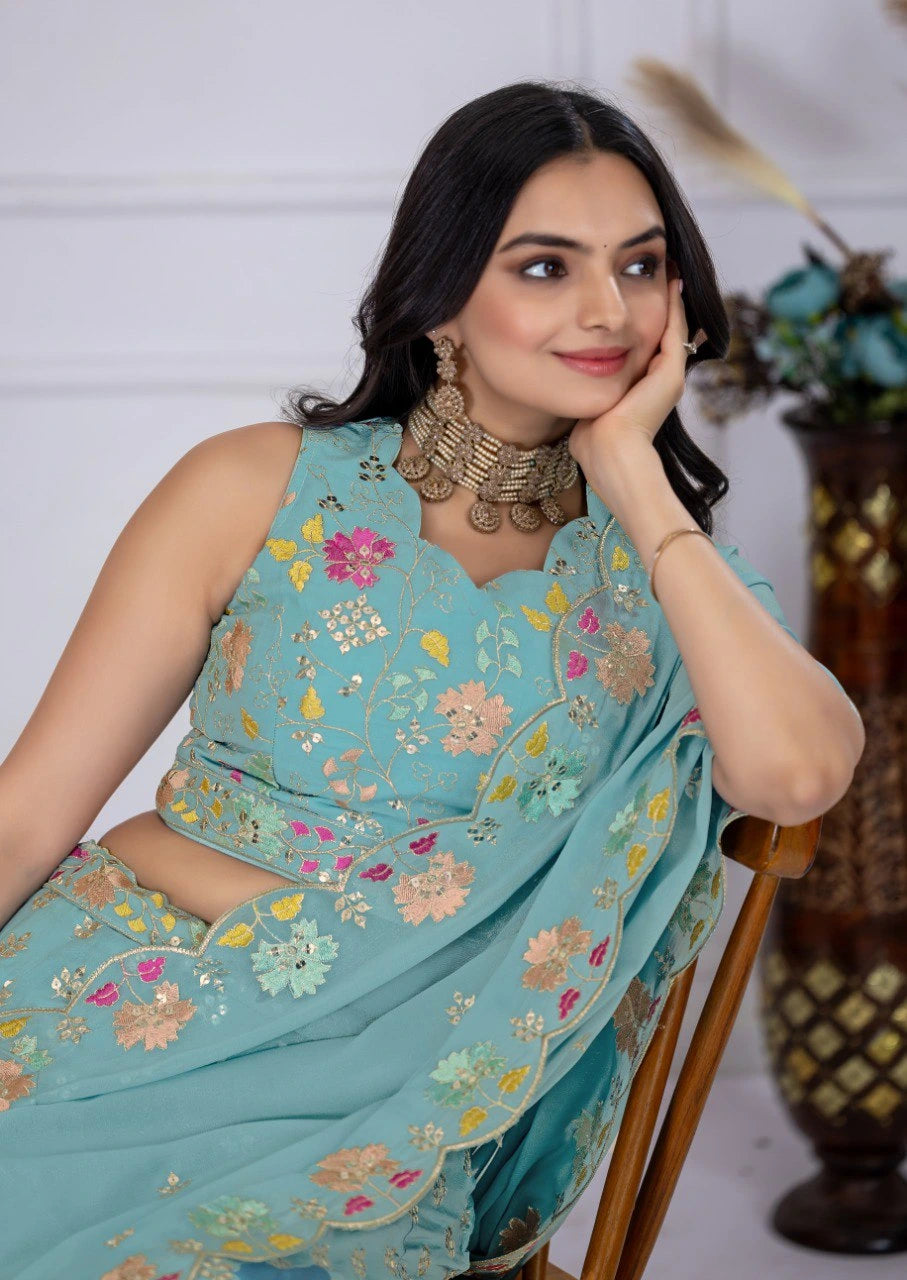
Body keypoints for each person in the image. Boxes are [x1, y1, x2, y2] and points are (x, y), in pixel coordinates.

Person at [0, 80, 864, 1280]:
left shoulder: (669, 583)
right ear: (443, 296)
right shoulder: (253, 487)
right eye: (544, 267)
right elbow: (30, 816)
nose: (606, 310)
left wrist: (637, 486)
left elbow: (802, 768)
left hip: (398, 1096)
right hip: (124, 992)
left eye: (641, 264)